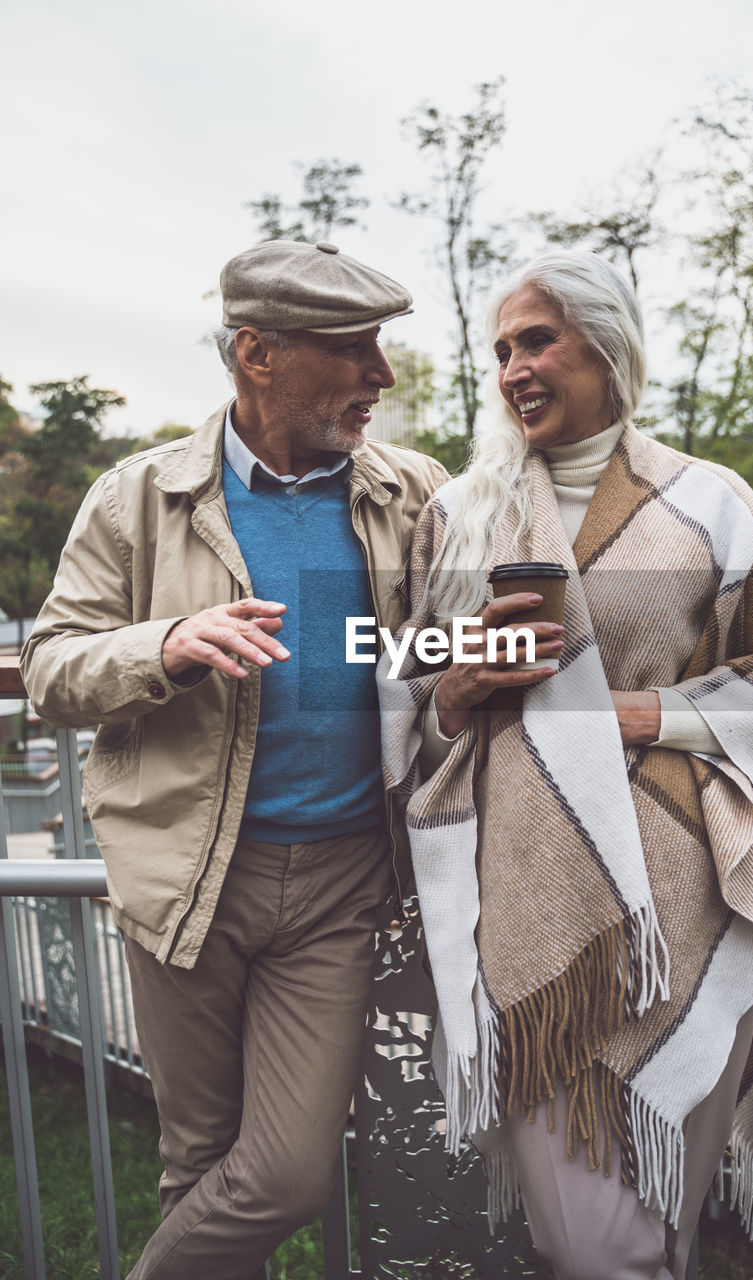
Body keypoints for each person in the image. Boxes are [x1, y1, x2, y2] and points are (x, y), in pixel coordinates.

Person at [379, 250, 753, 1280]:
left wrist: (656, 711)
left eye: (535, 338)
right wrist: (456, 687)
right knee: (590, 1240)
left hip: (696, 896)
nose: (513, 366)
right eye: (501, 347)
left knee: (663, 1224)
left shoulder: (709, 504)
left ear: (605, 344)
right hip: (535, 912)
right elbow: (396, 690)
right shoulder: (461, 514)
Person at [20, 239, 448, 1279]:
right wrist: (160, 645)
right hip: (185, 879)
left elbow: (432, 652)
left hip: (344, 878)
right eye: (352, 351)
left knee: (291, 1172)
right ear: (257, 354)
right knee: (198, 1163)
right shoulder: (137, 497)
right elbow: (48, 664)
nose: (379, 378)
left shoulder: (416, 491)